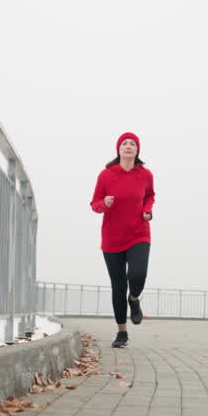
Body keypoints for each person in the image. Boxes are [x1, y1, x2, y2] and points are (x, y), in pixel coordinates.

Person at [89, 132, 154, 348]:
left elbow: (149, 196)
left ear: (138, 150)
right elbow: (95, 203)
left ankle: (134, 299)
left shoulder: (145, 175)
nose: (128, 146)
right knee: (118, 286)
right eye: (124, 143)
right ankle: (122, 333)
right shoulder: (106, 175)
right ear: (118, 149)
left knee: (138, 274)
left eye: (132, 143)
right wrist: (104, 203)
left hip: (139, 233)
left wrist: (147, 210)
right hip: (112, 238)